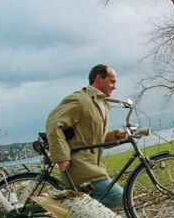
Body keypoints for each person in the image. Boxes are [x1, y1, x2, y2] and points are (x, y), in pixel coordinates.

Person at [45, 64, 128, 208]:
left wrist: (116, 136)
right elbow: (53, 123)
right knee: (119, 197)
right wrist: (62, 156)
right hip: (79, 166)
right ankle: (69, 214)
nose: (114, 86)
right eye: (112, 81)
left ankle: (75, 216)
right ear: (98, 78)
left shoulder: (101, 104)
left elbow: (95, 139)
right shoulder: (80, 100)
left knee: (102, 202)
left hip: (92, 167)